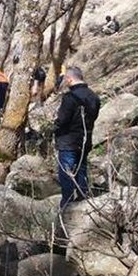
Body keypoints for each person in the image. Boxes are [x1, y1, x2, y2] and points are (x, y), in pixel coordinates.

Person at [54, 66, 100, 209]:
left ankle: (66, 209)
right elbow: (93, 117)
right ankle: (84, 203)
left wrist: (54, 128)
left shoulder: (70, 98)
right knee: (81, 171)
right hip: (85, 139)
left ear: (69, 79)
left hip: (68, 141)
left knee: (67, 176)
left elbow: (62, 120)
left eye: (65, 79)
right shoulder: (94, 96)